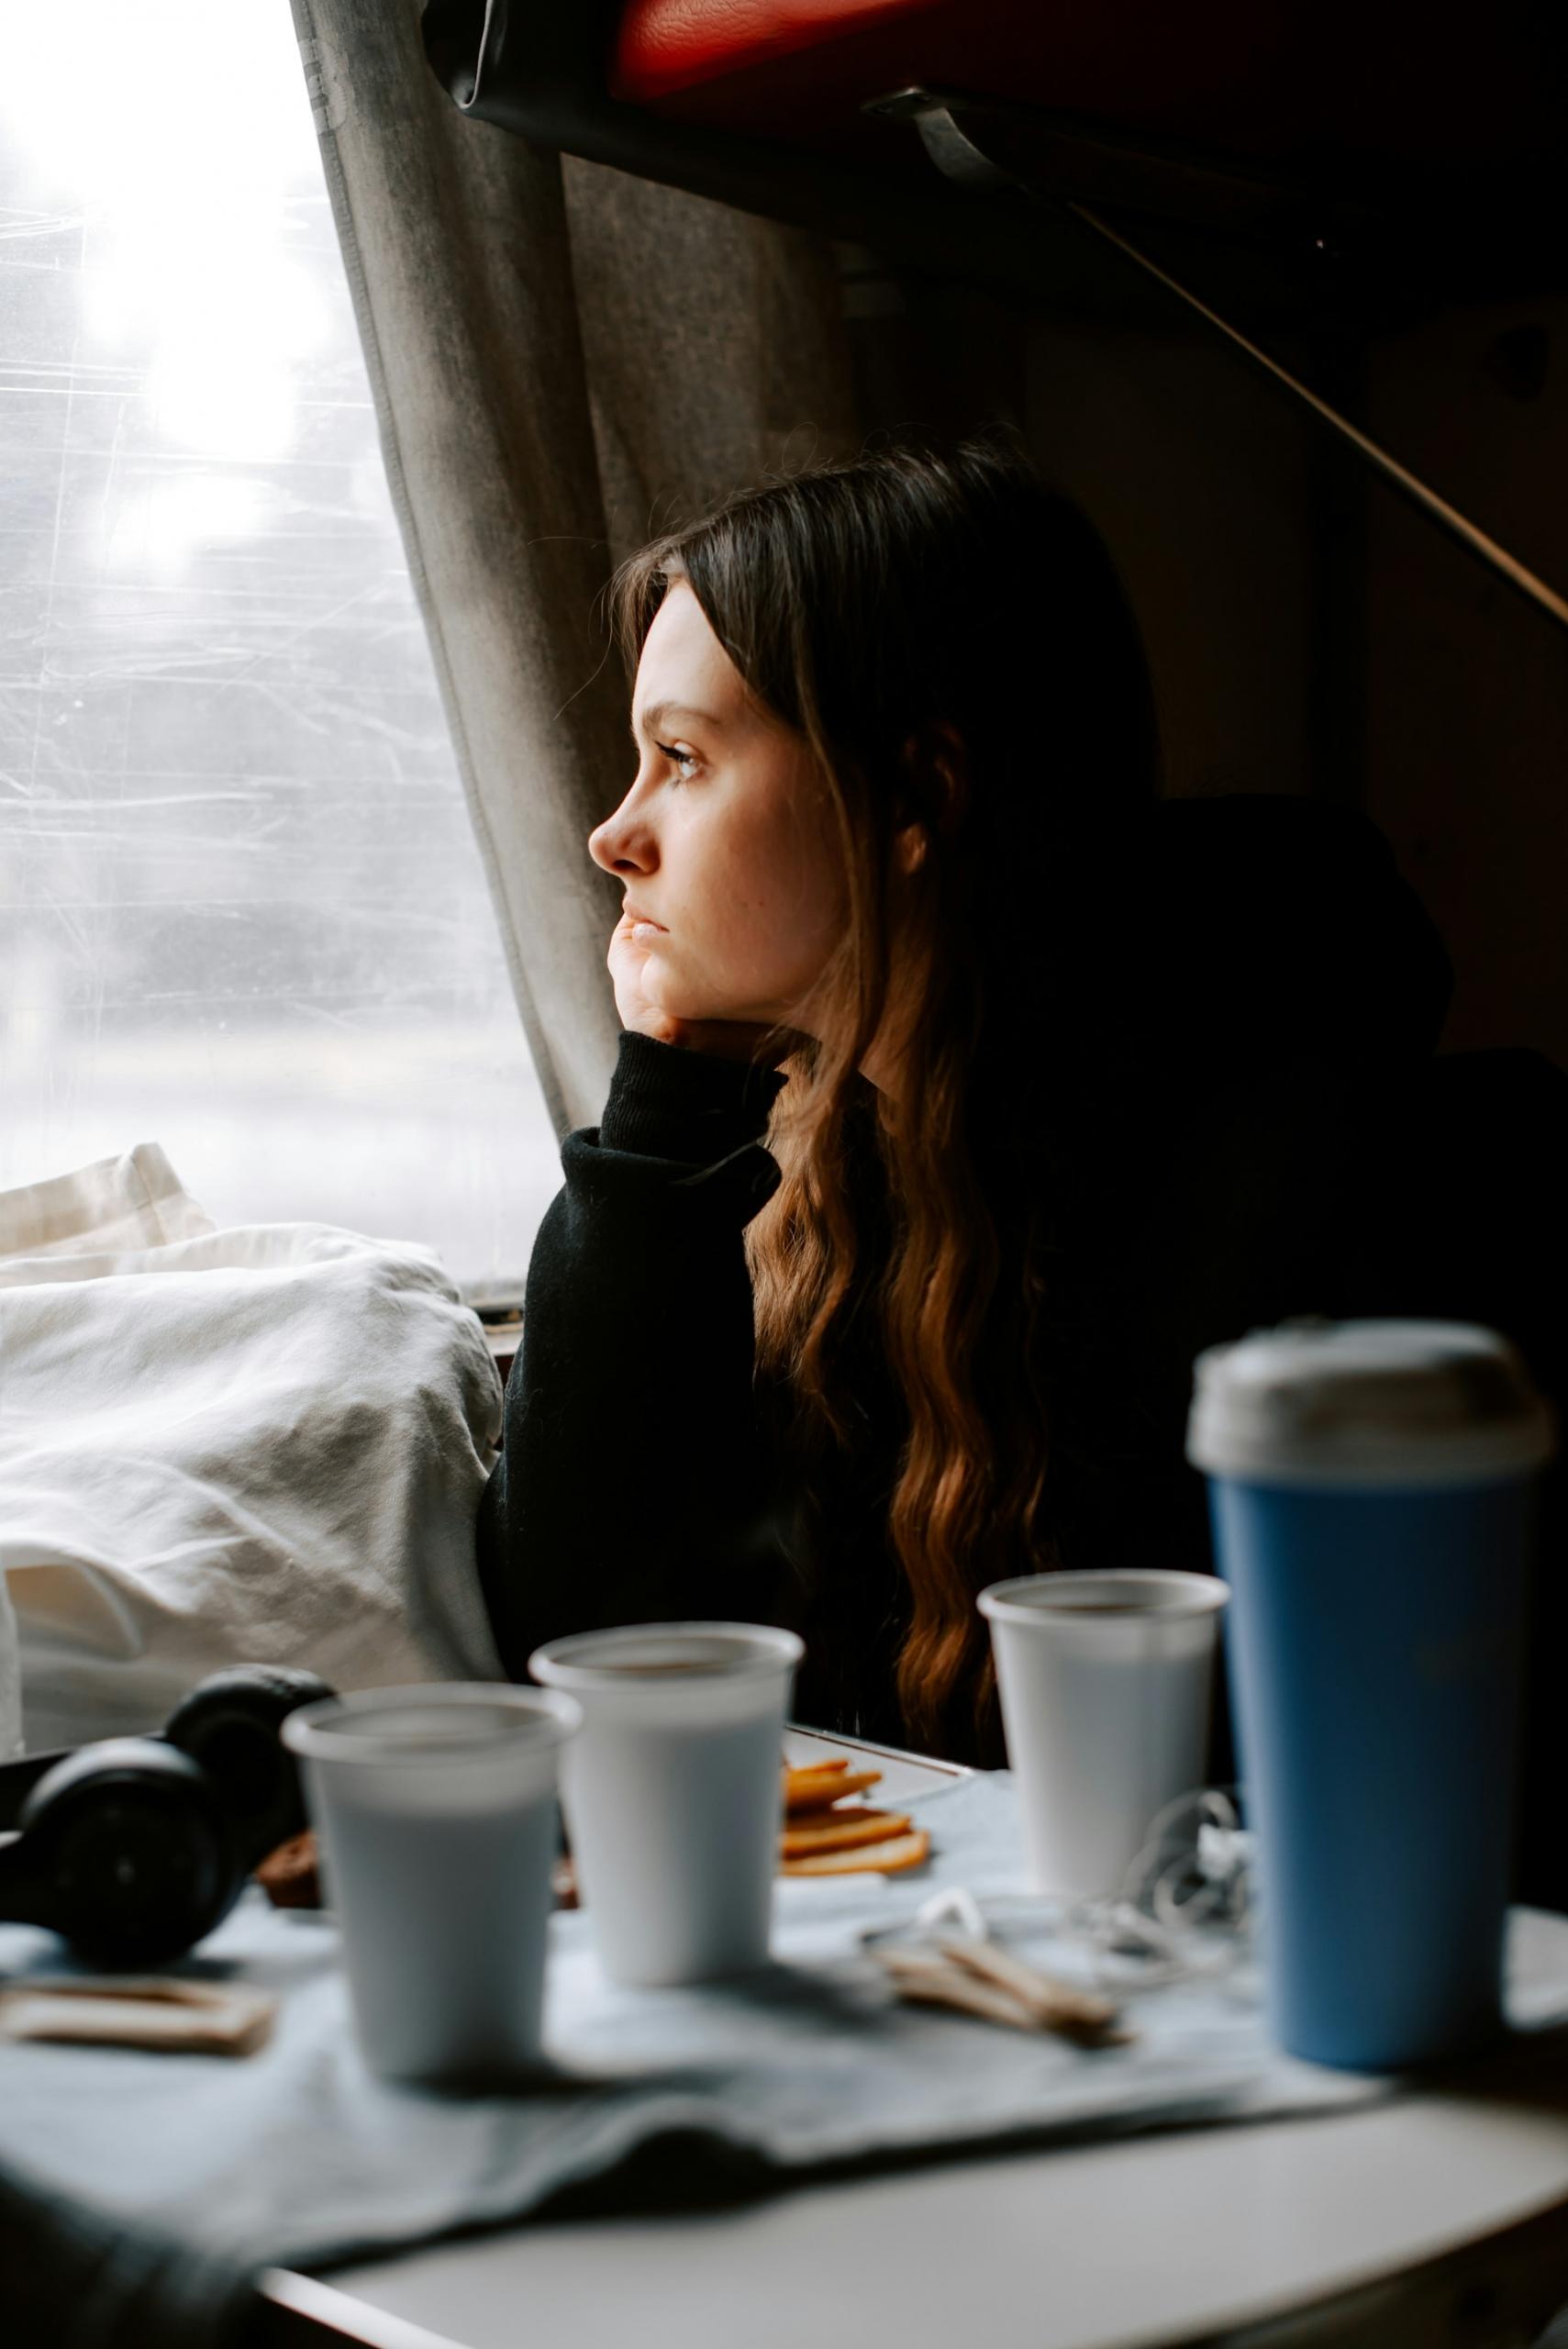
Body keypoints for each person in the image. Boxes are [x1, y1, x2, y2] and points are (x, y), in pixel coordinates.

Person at [476, 434, 1454, 1769]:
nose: (613, 833)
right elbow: (592, 1642)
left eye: (684, 759)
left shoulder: (1274, 1195)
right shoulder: (836, 1174)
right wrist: (663, 1095)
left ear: (912, 797)